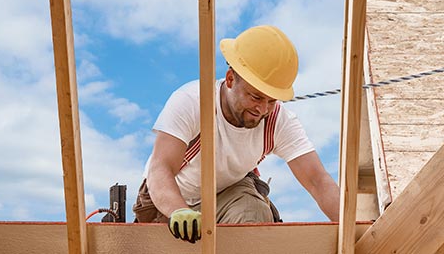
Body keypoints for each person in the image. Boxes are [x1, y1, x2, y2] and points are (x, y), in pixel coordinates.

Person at [132, 25, 340, 243]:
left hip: (226, 195)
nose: (263, 109)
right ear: (230, 79)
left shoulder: (278, 121)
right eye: (256, 97)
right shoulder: (192, 102)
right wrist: (178, 210)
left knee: (254, 213)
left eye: (271, 100)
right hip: (169, 200)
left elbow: (318, 181)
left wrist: (357, 233)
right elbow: (160, 167)